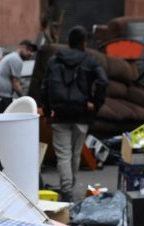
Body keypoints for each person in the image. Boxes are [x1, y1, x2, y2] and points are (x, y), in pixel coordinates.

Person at [41, 26, 108, 202]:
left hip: (60, 114)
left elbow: (44, 87)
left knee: (63, 154)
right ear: (83, 42)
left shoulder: (54, 60)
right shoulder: (90, 60)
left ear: (69, 41)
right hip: (81, 113)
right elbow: (103, 81)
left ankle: (67, 190)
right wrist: (96, 103)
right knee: (75, 153)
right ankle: (70, 183)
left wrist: (47, 112)